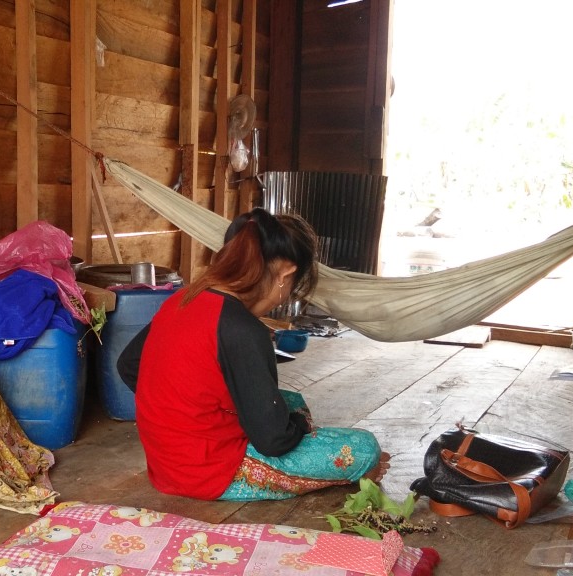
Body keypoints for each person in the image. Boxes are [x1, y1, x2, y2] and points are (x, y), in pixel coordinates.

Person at [116, 208, 388, 501]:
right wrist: (295, 426)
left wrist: (180, 407)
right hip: (210, 472)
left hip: (165, 461)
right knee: (363, 448)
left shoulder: (182, 299)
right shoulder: (243, 329)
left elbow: (129, 365)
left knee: (291, 401)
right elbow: (274, 440)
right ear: (286, 273)